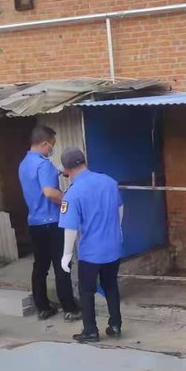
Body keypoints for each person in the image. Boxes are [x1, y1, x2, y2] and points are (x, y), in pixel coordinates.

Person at [58, 148, 124, 343]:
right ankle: (115, 325)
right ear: (84, 162)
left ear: (66, 170)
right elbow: (120, 208)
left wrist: (66, 255)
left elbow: (70, 228)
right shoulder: (109, 182)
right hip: (113, 247)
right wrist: (116, 230)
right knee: (110, 285)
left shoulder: (72, 193)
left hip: (91, 252)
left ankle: (90, 331)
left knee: (86, 291)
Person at [18, 125, 80, 321]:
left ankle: (42, 306)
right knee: (62, 264)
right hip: (52, 222)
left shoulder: (24, 163)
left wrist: (58, 172)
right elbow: (49, 192)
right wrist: (68, 201)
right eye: (52, 145)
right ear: (45, 144)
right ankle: (69, 307)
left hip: (35, 222)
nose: (52, 149)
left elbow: (38, 185)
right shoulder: (43, 164)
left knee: (40, 266)